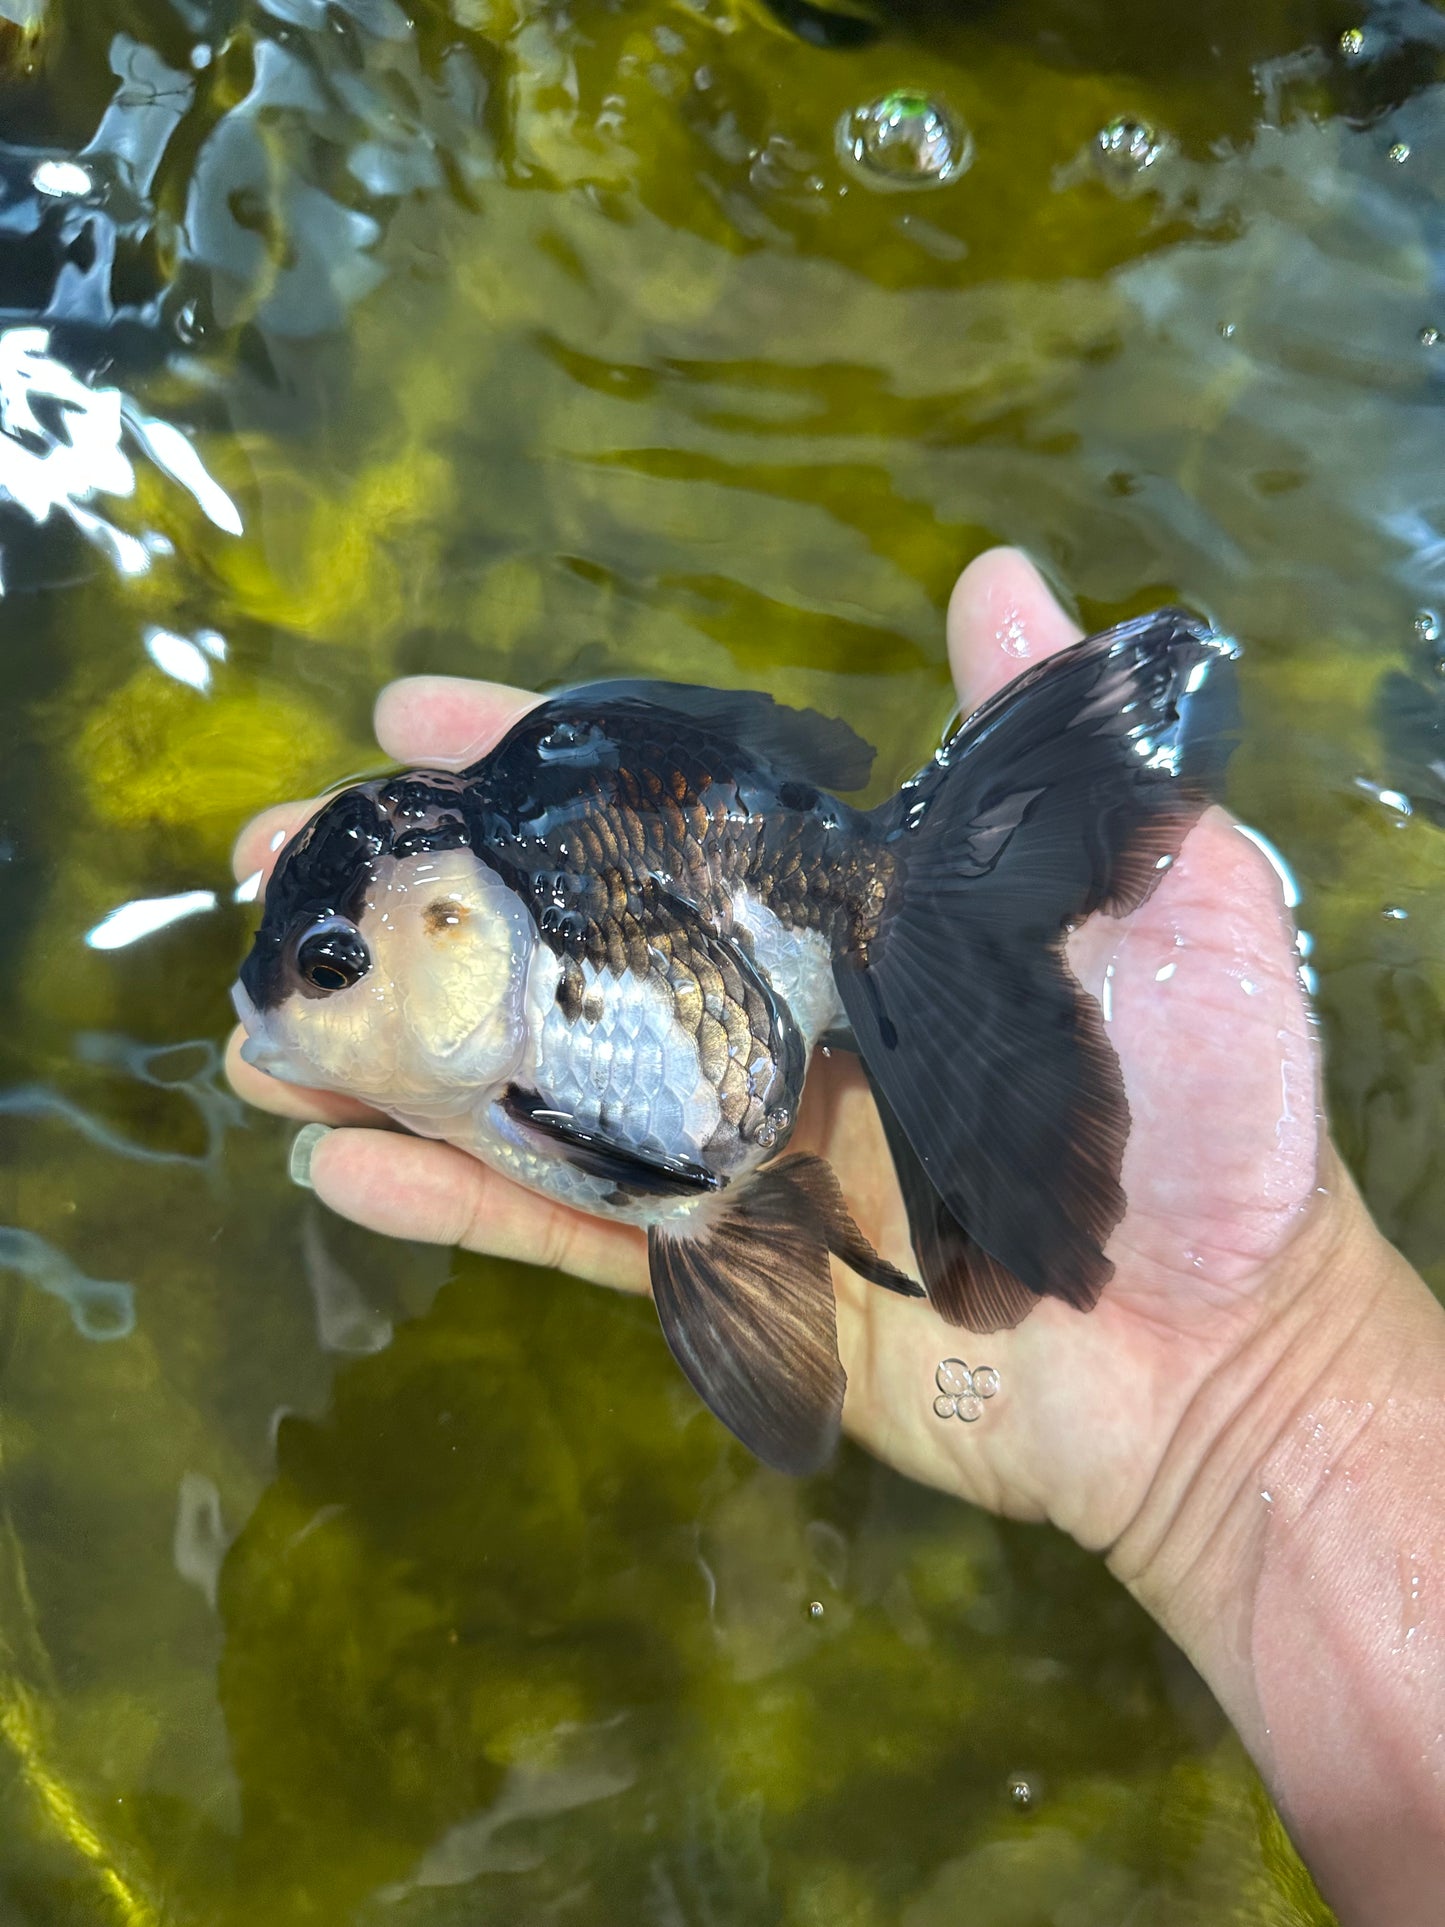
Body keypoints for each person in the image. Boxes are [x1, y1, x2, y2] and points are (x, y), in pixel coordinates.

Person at [227, 548, 1445, 1924]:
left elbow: (675, 1156)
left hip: (757, 1020)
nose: (301, 1009)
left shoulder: (545, 968)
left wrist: (1256, 1382)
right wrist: (1259, 1406)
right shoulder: (488, 990)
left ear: (455, 923)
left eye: (336, 972)